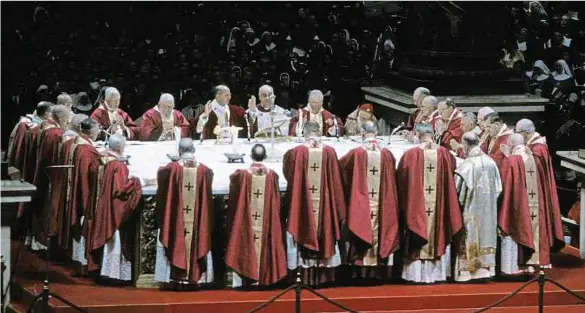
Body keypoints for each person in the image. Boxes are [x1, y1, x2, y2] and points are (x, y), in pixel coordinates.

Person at [397, 123, 463, 284]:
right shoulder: (445, 154)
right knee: (437, 229)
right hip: (438, 209)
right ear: (432, 134)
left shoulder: (411, 154)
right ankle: (436, 274)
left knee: (417, 226)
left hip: (417, 209)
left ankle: (416, 275)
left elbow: (401, 180)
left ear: (417, 135)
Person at [283, 121, 346, 286]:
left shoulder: (296, 152)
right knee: (324, 227)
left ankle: (304, 275)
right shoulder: (330, 152)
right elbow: (337, 180)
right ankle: (324, 276)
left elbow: (288, 174)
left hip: (303, 206)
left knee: (303, 224)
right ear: (319, 133)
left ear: (304, 133)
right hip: (324, 207)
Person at [339, 121, 399, 281]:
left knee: (361, 225)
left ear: (362, 133)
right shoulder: (387, 154)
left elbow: (341, 169)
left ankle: (359, 269)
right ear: (377, 133)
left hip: (363, 205)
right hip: (381, 206)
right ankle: (379, 269)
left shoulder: (356, 153)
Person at [225, 144, 287, 287]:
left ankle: (245, 276)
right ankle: (266, 275)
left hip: (247, 221)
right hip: (265, 221)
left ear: (251, 156)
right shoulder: (272, 175)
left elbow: (234, 197)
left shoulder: (241, 175)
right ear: (265, 157)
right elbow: (276, 202)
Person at [155, 138, 215, 286]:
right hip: (196, 221)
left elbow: (162, 189)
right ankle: (195, 274)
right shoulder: (204, 171)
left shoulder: (171, 169)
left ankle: (175, 275)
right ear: (194, 150)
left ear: (179, 151)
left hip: (177, 221)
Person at [87, 134, 142, 282]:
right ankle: (112, 274)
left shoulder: (102, 158)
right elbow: (119, 190)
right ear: (119, 147)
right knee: (115, 240)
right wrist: (136, 182)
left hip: (101, 206)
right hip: (111, 210)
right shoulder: (118, 165)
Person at [453, 132, 502, 282]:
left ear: (466, 146)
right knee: (486, 235)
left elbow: (457, 192)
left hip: (471, 210)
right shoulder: (491, 163)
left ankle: (467, 272)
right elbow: (499, 188)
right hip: (489, 211)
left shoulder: (466, 166)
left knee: (469, 236)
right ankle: (486, 270)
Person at [515, 120, 565, 259]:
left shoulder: (538, 148)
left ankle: (540, 255)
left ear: (526, 133)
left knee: (538, 220)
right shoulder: (532, 146)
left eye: (518, 133)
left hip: (537, 194)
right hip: (534, 190)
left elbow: (533, 169)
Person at [32, 105, 71, 247]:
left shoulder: (47, 127)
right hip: (52, 174)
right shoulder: (56, 133)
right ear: (60, 118)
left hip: (43, 170)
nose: (67, 122)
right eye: (67, 119)